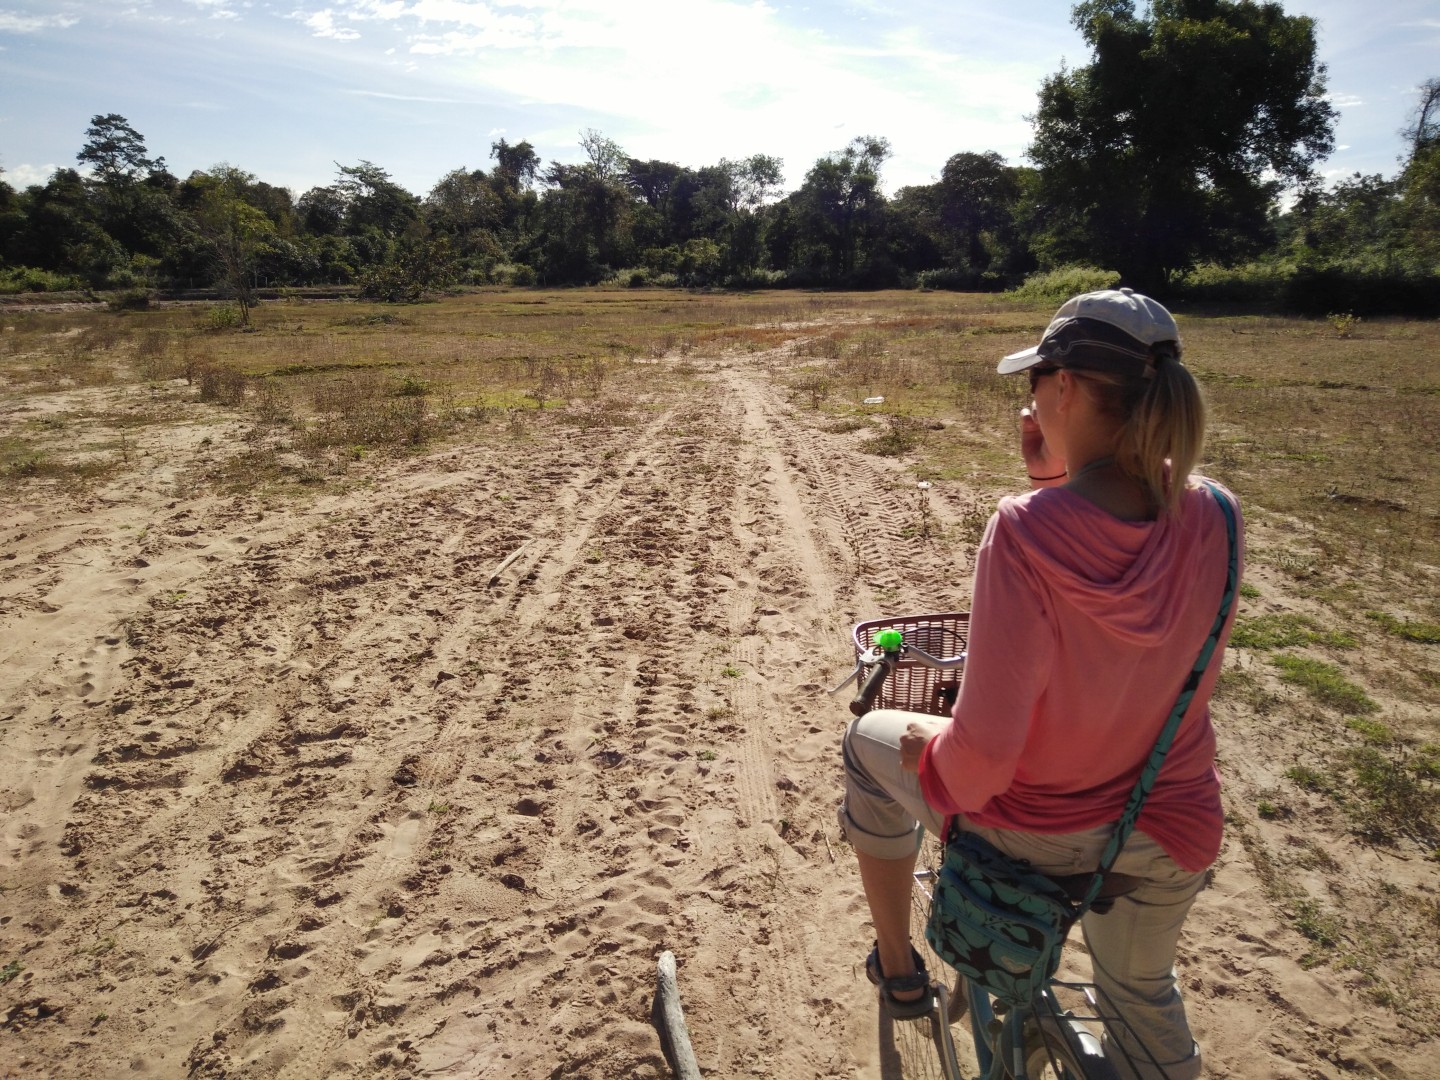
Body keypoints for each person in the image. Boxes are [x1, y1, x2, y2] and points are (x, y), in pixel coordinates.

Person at [838, 288, 1242, 1080]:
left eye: (1035, 384)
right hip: (1172, 827)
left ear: (1063, 388)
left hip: (1038, 832)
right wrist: (1059, 466)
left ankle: (898, 966)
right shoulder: (1216, 514)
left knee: (864, 744)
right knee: (1142, 1000)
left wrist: (929, 755)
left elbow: (983, 762)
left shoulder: (1024, 531)